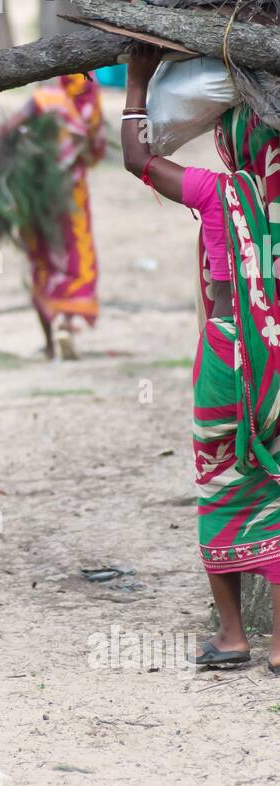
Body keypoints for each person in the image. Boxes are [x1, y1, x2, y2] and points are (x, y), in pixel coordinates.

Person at [122, 42, 280, 672]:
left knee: (222, 479)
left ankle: (234, 637)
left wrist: (136, 81)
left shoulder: (220, 194)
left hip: (228, 355)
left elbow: (137, 157)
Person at [6, 73, 106, 359]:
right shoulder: (90, 105)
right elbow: (95, 151)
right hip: (73, 197)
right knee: (75, 260)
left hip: (38, 197)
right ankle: (67, 322)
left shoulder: (45, 100)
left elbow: (9, 133)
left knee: (43, 263)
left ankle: (51, 342)